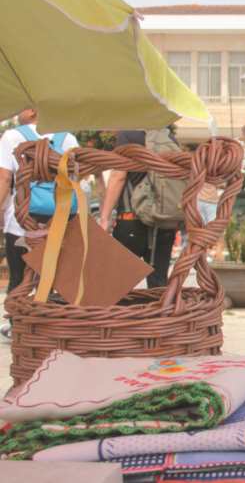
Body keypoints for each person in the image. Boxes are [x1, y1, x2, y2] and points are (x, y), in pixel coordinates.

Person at [0, 109, 79, 339]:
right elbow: (74, 179)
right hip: (59, 219)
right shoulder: (68, 139)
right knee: (54, 275)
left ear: (32, 110)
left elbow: (5, 178)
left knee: (18, 277)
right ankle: (52, 324)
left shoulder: (13, 137)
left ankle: (19, 326)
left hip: (21, 220)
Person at [97, 130, 177, 288]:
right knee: (158, 283)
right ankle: (159, 312)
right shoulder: (168, 137)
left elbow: (118, 177)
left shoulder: (128, 135)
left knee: (117, 285)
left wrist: (104, 217)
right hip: (163, 220)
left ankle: (121, 313)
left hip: (132, 218)